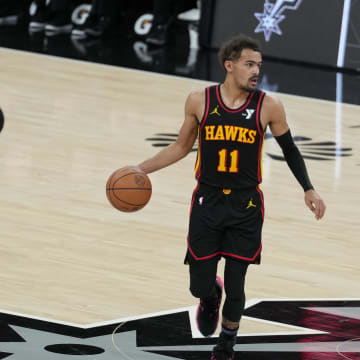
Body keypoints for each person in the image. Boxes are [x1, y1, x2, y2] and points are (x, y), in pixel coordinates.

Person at [122, 34, 326, 360]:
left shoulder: (269, 106)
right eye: (249, 64)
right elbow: (180, 147)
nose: (256, 70)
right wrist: (140, 168)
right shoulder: (199, 101)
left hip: (245, 205)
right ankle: (208, 296)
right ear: (229, 65)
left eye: (259, 64)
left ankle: (226, 344)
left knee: (237, 283)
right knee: (198, 285)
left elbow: (289, 150)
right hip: (207, 201)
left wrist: (308, 187)